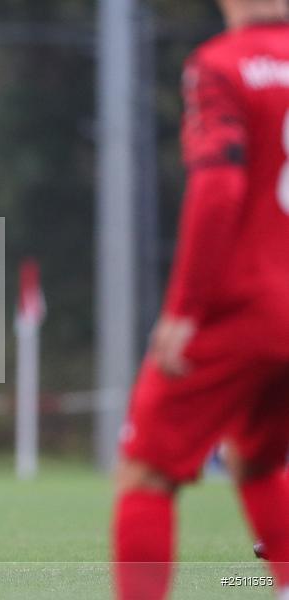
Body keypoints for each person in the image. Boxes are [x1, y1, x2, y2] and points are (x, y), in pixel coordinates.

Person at [112, 1, 289, 598]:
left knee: (148, 473)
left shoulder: (220, 64)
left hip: (250, 307)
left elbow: (219, 187)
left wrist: (185, 310)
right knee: (259, 461)